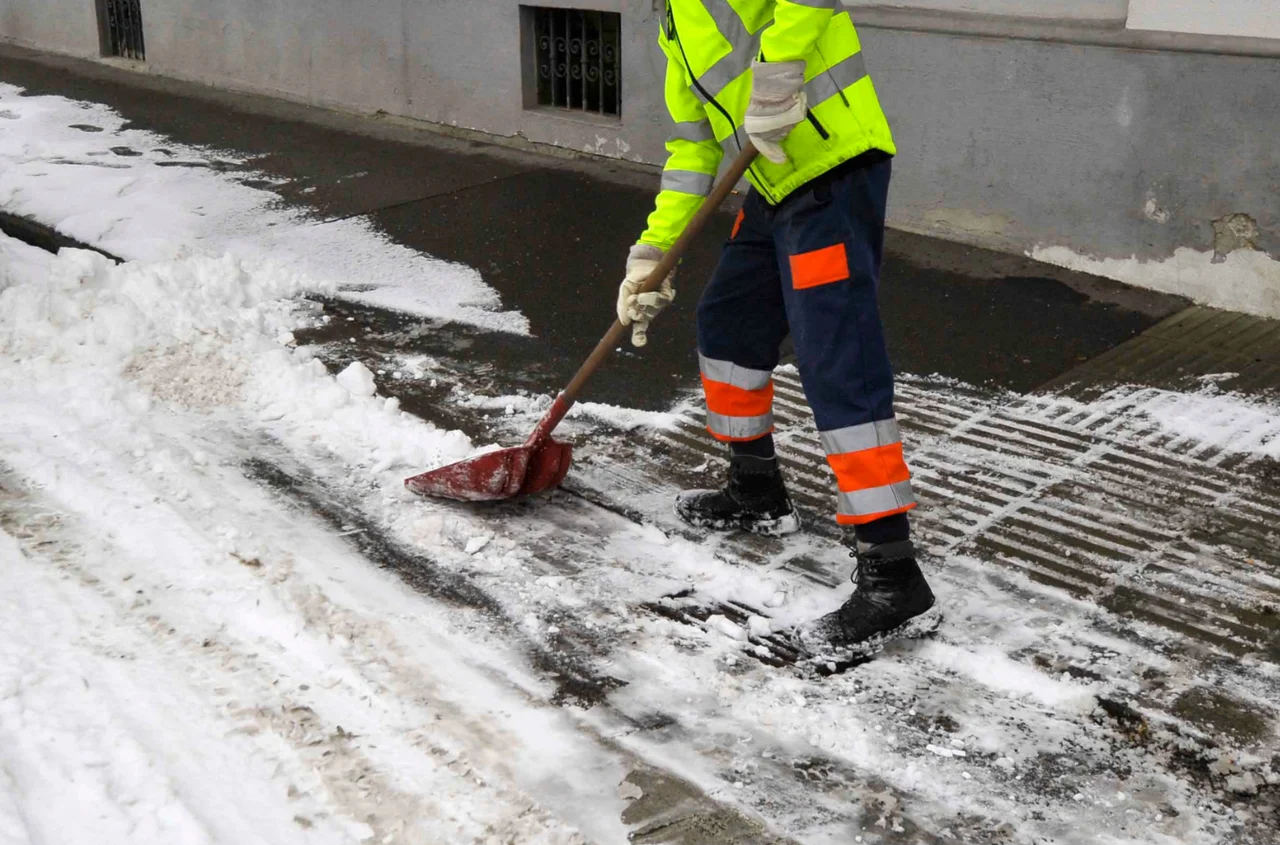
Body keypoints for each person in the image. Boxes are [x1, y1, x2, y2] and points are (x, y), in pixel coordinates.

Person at [617, 0, 938, 654]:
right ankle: (757, 489)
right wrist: (652, 256)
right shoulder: (674, 24)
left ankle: (892, 571)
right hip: (774, 184)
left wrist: (781, 67)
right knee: (728, 325)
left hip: (831, 168)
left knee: (835, 357)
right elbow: (693, 147)